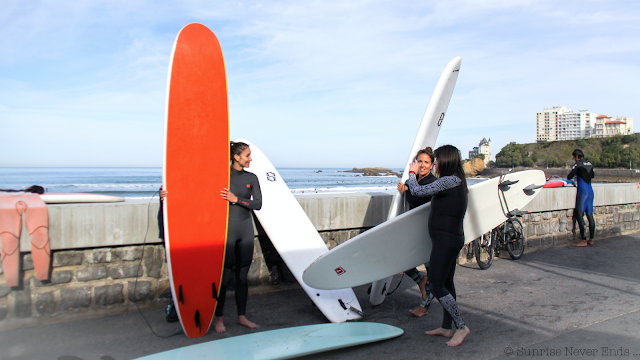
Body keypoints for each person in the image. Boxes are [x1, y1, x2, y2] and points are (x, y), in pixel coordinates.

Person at [160, 141, 262, 333]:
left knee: (242, 277)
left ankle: (242, 317)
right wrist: (168, 195)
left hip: (246, 231)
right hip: (227, 232)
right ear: (236, 157)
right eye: (247, 155)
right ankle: (219, 319)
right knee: (223, 278)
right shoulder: (221, 177)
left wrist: (236, 200)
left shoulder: (252, 178)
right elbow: (195, 193)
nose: (250, 159)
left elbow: (257, 204)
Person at [405, 145, 470, 347]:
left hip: (446, 241)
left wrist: (412, 174)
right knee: (447, 284)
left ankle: (461, 327)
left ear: (447, 161)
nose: (435, 164)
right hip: (449, 239)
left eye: (437, 160)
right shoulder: (455, 180)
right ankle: (446, 327)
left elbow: (417, 190)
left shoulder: (450, 181)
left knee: (436, 284)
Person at [396, 147, 436, 317]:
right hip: (415, 230)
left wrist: (406, 189)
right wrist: (404, 186)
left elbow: (414, 198)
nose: (422, 165)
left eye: (426, 162)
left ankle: (424, 306)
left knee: (431, 270)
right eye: (419, 161)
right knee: (401, 260)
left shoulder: (431, 182)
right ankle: (420, 281)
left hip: (428, 231)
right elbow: (410, 189)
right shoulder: (417, 181)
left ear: (432, 165)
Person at [567, 149, 595, 246]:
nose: (574, 159)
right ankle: (591, 239)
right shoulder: (590, 164)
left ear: (577, 157)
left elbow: (569, 176)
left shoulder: (577, 164)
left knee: (579, 214)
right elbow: (593, 175)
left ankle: (583, 240)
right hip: (590, 191)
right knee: (590, 215)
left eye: (574, 158)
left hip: (583, 192)